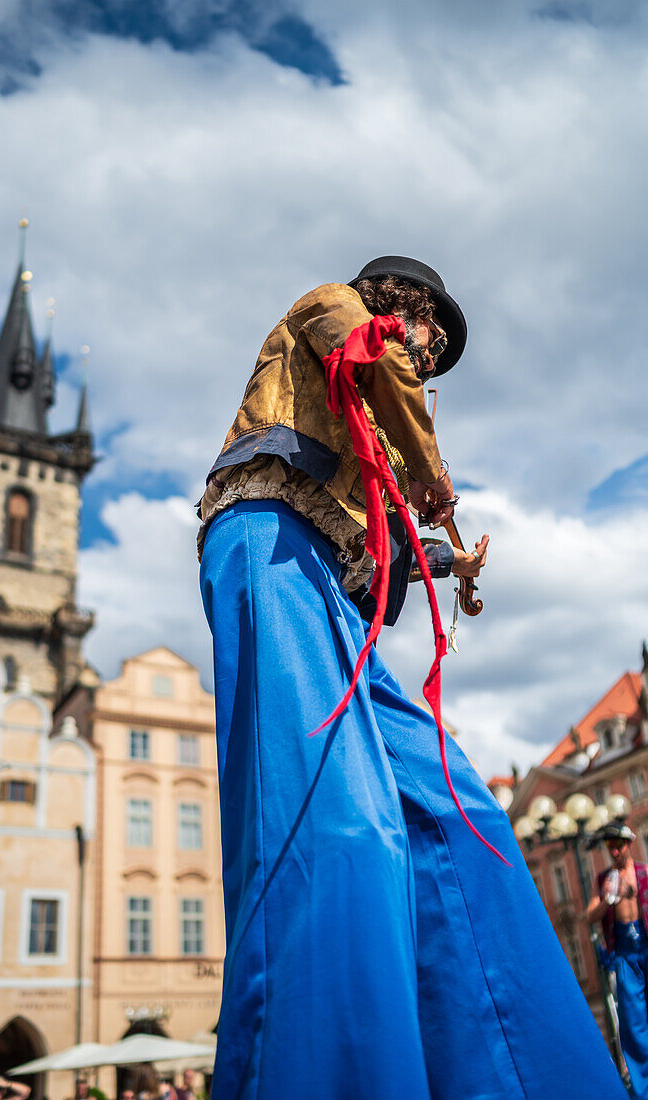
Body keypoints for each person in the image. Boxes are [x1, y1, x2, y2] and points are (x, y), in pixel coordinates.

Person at [198, 256, 627, 1098]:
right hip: (269, 545)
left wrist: (443, 558)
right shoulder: (333, 308)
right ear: (407, 305)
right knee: (343, 832)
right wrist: (429, 471)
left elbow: (382, 556)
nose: (431, 360)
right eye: (433, 339)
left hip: (330, 589)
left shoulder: (383, 427)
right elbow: (372, 356)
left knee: (460, 817)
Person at [588, 823, 648, 1096]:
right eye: (610, 846)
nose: (614, 850)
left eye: (618, 845)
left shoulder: (644, 872)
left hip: (645, 946)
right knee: (633, 1025)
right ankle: (642, 1091)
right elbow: (589, 915)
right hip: (624, 956)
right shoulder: (605, 879)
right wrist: (608, 900)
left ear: (629, 844)